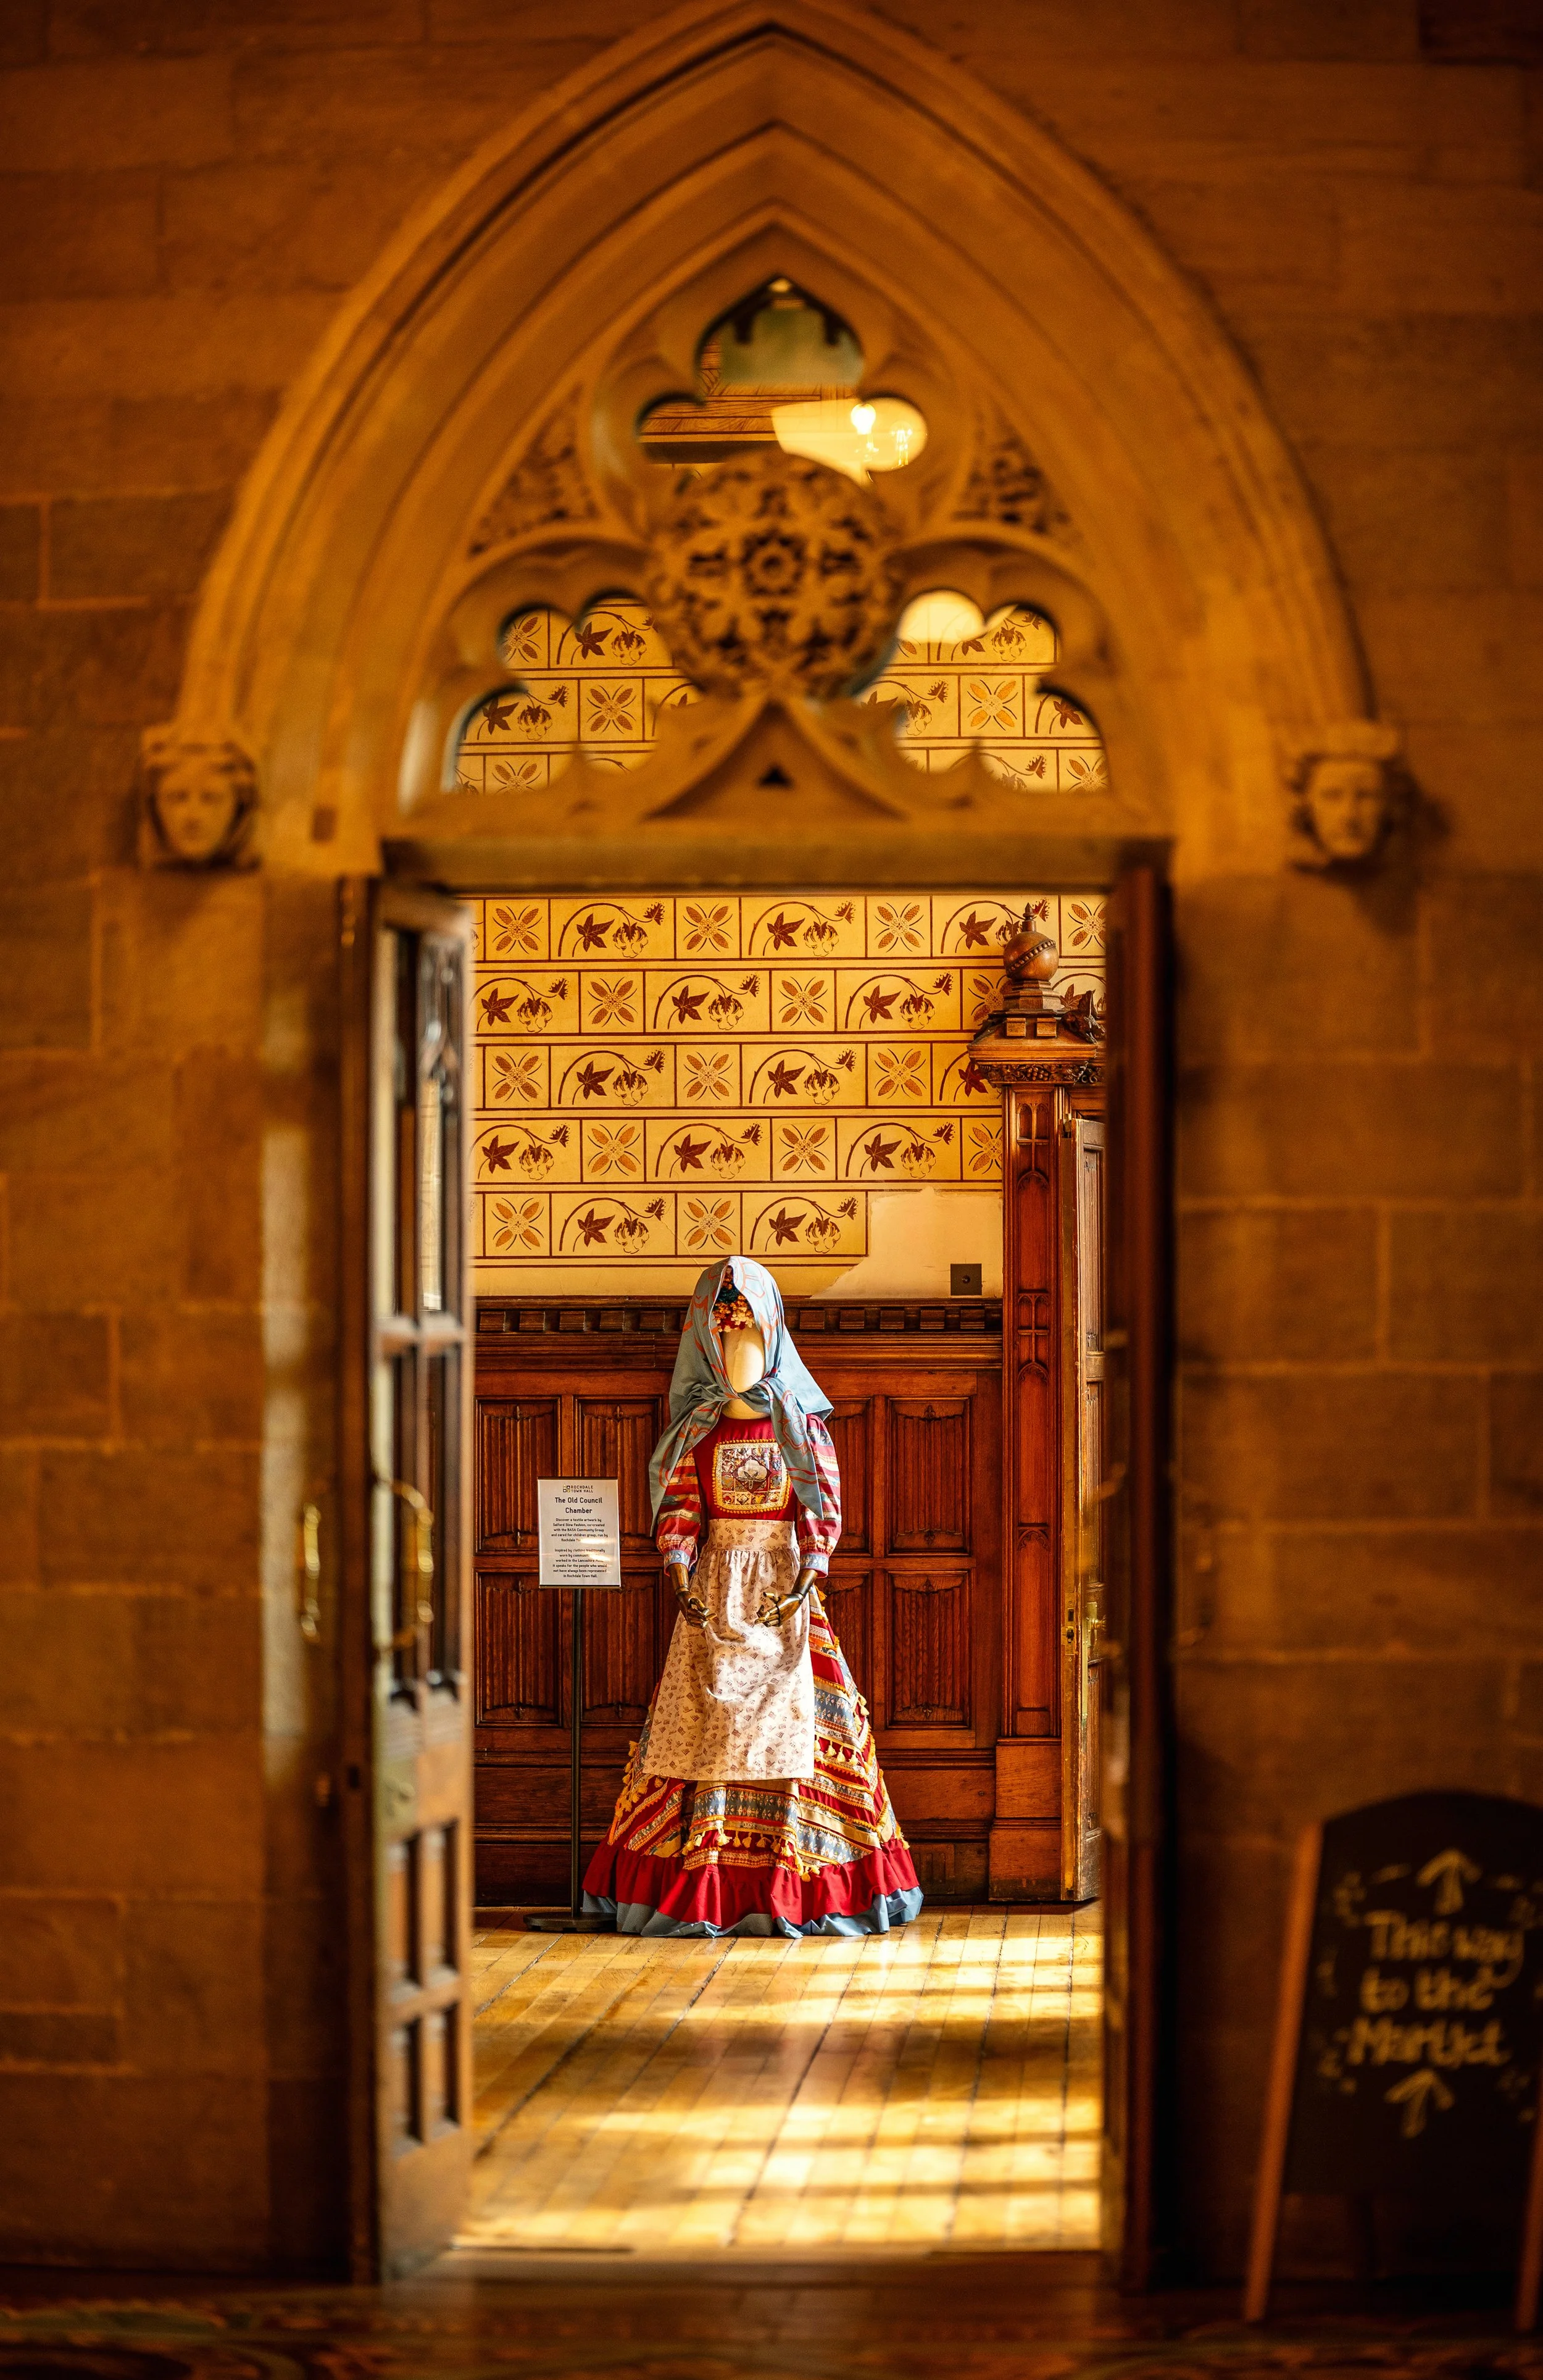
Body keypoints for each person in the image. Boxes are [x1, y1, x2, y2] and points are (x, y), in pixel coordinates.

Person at [582, 1255, 923, 1937]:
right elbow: (678, 1508)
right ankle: (700, 1881)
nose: (736, 1350)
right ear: (702, 1340)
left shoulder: (799, 1424)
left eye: (746, 1335)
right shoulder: (692, 1428)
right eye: (722, 1334)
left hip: (783, 1592)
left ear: (770, 1333)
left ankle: (798, 1881)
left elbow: (817, 1509)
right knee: (700, 1732)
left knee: (801, 1731)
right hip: (711, 1591)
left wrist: (806, 1579)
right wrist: (679, 1574)